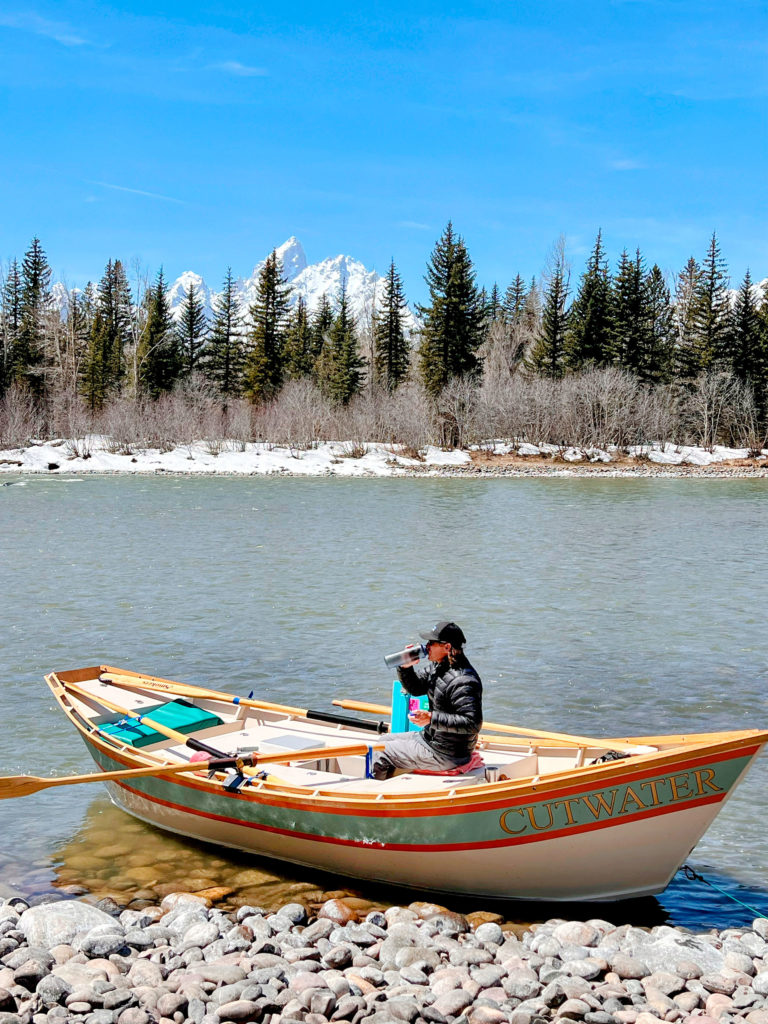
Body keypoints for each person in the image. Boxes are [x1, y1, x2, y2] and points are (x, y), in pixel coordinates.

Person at [370, 621, 483, 781]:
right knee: (382, 741)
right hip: (432, 739)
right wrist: (405, 667)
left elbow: (472, 723)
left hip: (447, 753)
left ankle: (375, 795)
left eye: (431, 643)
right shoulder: (439, 667)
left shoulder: (463, 680)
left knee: (379, 751)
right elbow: (416, 688)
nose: (426, 646)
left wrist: (431, 718)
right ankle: (390, 786)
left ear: (447, 647)